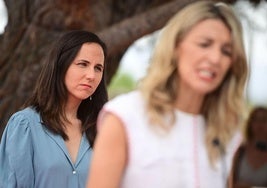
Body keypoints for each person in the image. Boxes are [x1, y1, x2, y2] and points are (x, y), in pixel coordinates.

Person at [86, 1, 248, 188]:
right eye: (204, 44)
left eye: (226, 51)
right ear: (176, 46)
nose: (215, 59)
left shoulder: (227, 132)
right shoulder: (125, 116)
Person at [0, 30, 108, 188]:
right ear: (60, 66)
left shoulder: (102, 129)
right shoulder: (25, 126)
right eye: (83, 64)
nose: (91, 75)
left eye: (98, 68)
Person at [229, 106, 267, 188]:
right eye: (256, 120)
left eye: (264, 120)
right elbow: (230, 182)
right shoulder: (240, 150)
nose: (260, 124)